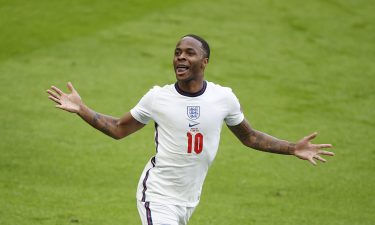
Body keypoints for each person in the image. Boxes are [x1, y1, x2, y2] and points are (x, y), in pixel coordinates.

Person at [47, 34, 334, 225]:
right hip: (157, 194)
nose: (180, 57)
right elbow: (119, 129)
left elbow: (251, 137)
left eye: (189, 53)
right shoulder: (157, 97)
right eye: (177, 52)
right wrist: (82, 109)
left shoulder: (223, 98)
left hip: (189, 198)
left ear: (204, 62)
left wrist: (292, 148)